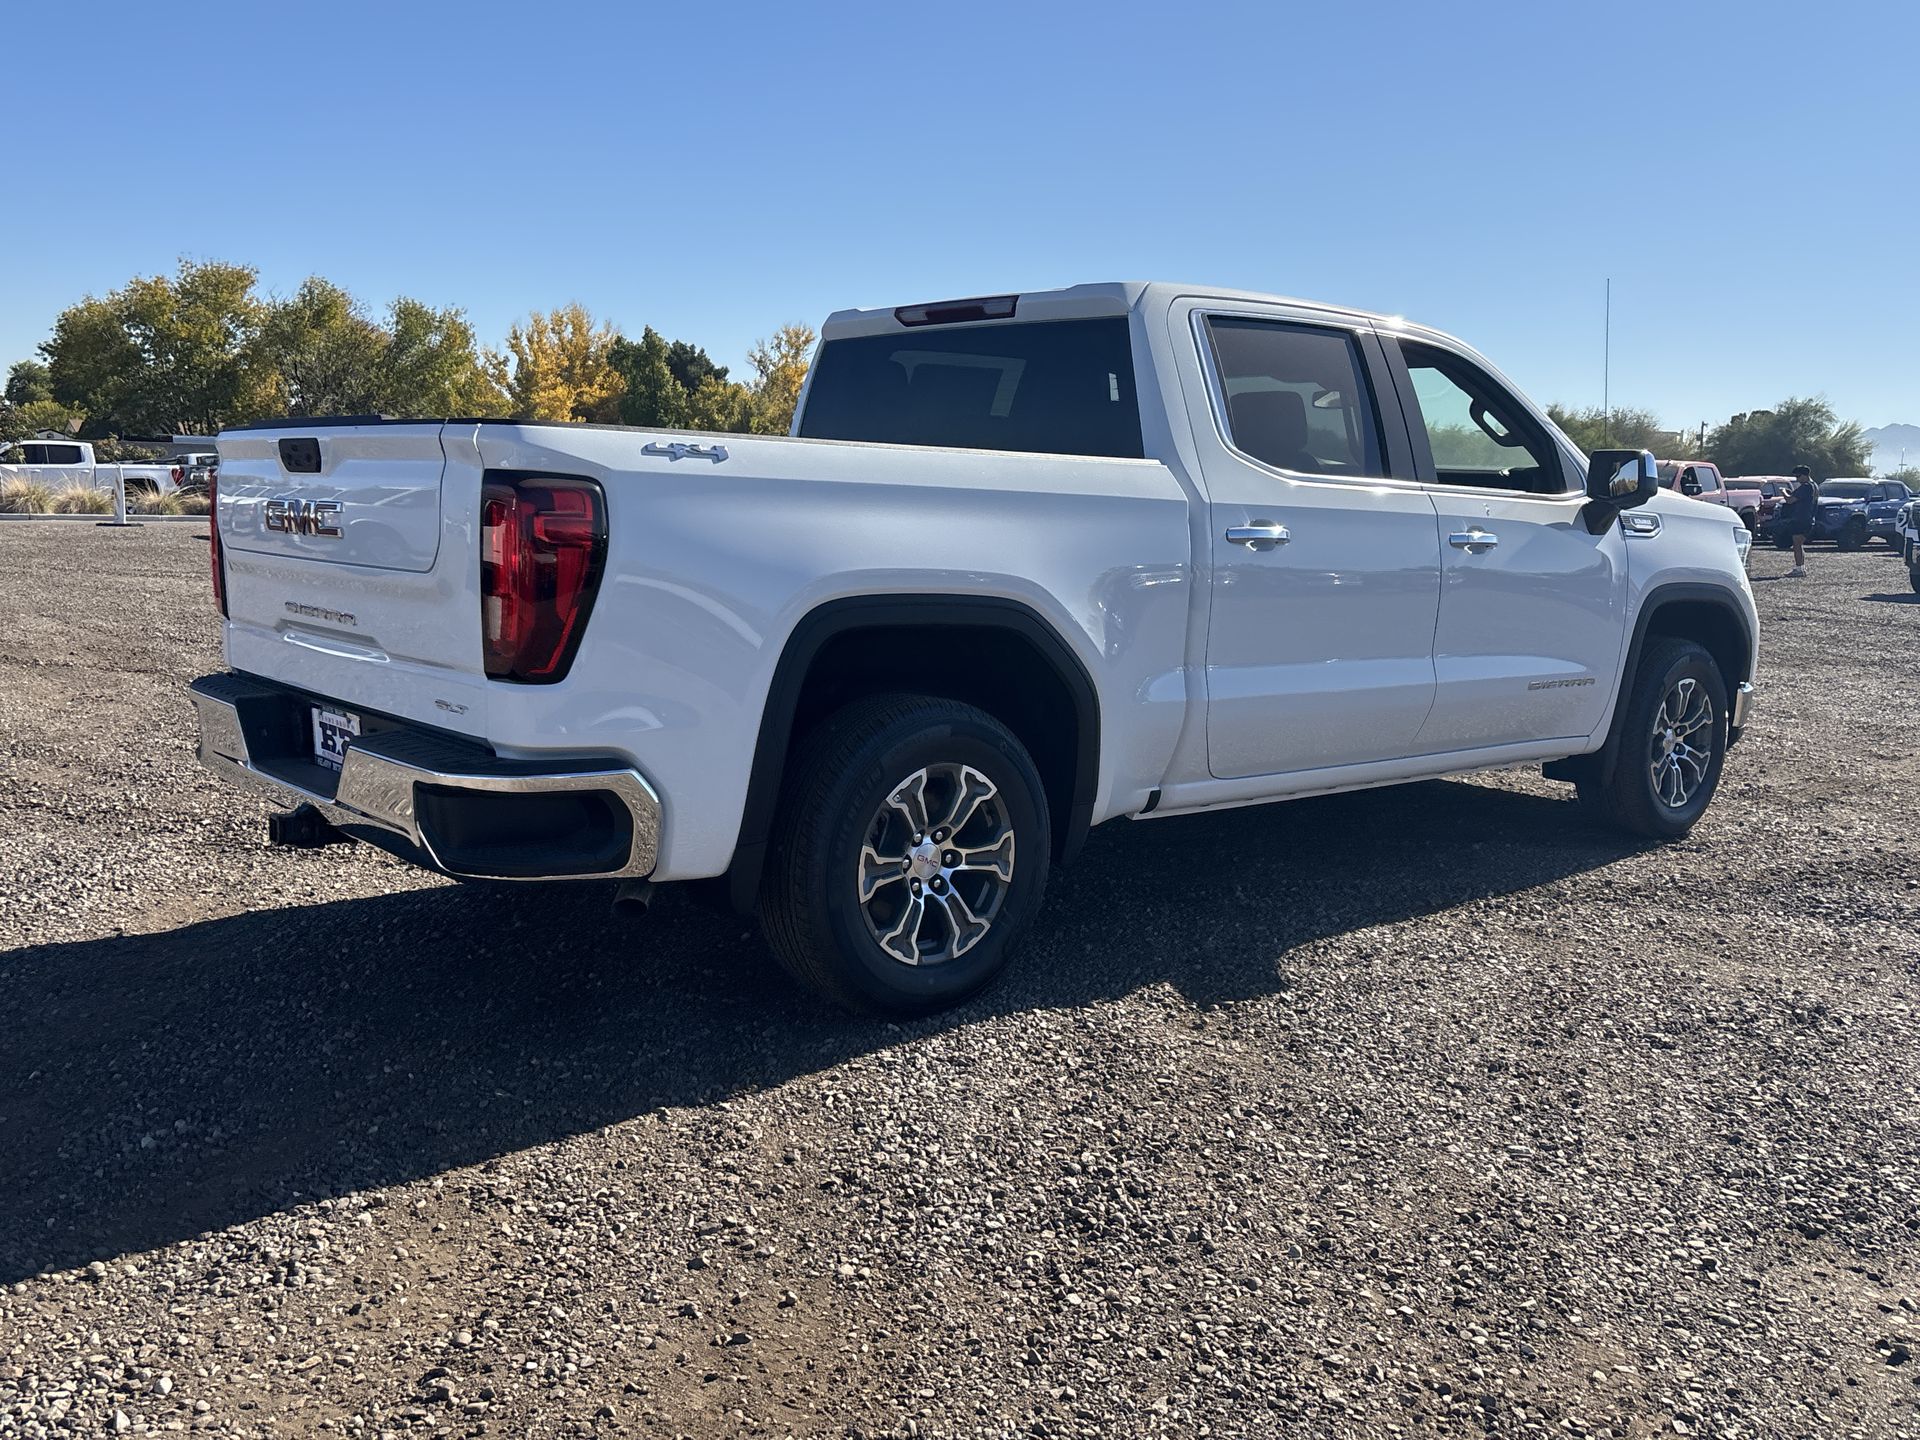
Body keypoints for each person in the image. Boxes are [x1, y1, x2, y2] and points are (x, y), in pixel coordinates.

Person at [1781, 465, 1818, 576]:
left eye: (1798, 476)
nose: (1797, 479)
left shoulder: (1806, 487)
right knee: (1799, 544)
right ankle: (1801, 567)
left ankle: (1799, 569)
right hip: (1808, 518)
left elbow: (1790, 500)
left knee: (1796, 544)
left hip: (1801, 519)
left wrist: (1783, 492)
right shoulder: (1814, 486)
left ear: (1805, 475)